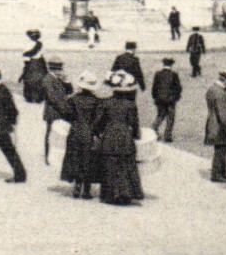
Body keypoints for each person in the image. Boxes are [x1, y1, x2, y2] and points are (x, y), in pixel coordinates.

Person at [97, 72, 144, 204]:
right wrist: (136, 135)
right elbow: (134, 124)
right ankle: (125, 192)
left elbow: (99, 122)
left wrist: (99, 132)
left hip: (110, 135)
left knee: (110, 163)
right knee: (125, 164)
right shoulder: (130, 105)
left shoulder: (106, 103)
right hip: (124, 135)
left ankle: (110, 194)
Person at [61, 72, 104, 199]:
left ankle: (77, 187)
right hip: (89, 133)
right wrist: (96, 132)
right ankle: (86, 190)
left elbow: (66, 114)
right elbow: (99, 120)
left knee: (75, 158)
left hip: (75, 131)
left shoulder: (73, 99)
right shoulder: (97, 102)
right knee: (89, 160)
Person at [204, 70, 226, 182]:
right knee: (221, 151)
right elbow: (224, 114)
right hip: (219, 126)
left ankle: (221, 173)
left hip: (212, 123)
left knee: (220, 149)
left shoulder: (212, 89)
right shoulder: (220, 94)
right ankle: (217, 175)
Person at [40, 60, 73, 164]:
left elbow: (69, 91)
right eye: (59, 69)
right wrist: (66, 110)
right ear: (54, 69)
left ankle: (56, 156)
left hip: (60, 111)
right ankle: (47, 157)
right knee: (50, 134)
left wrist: (67, 81)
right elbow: (53, 98)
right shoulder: (47, 79)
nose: (61, 71)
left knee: (59, 133)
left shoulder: (59, 79)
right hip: (53, 112)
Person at [151, 56, 182, 142]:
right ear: (171, 65)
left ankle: (154, 129)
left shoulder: (158, 74)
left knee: (160, 116)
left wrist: (155, 97)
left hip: (160, 99)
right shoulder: (174, 74)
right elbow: (178, 88)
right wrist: (176, 97)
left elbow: (154, 87)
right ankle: (167, 136)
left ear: (163, 64)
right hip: (170, 100)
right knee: (170, 118)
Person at [20, 30, 48, 103]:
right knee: (39, 79)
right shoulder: (40, 44)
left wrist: (25, 65)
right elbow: (42, 54)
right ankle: (39, 97)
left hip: (31, 63)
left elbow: (25, 56)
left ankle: (29, 97)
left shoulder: (27, 45)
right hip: (39, 63)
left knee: (29, 79)